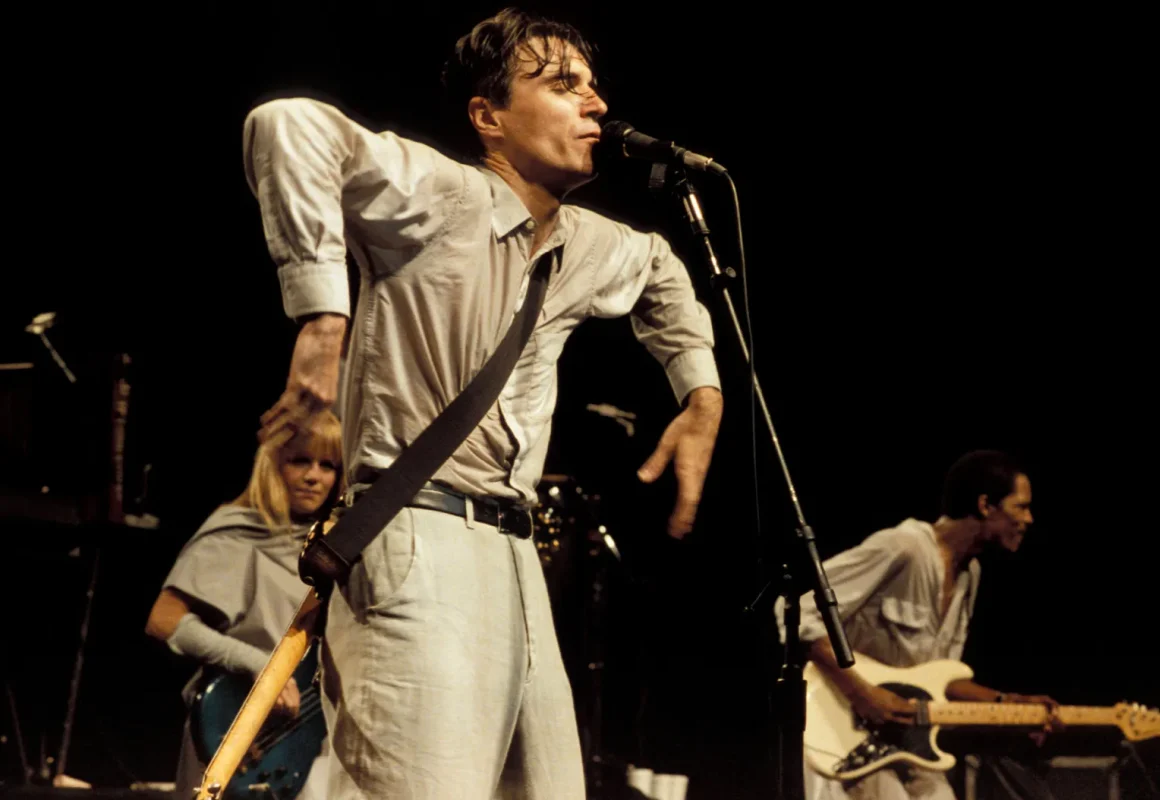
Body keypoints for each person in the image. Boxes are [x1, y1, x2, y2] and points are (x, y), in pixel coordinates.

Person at [240, 7, 723, 799]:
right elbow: (286, 125)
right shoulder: (443, 195)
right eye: (563, 85)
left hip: (516, 558)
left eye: (594, 87)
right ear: (487, 116)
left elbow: (662, 270)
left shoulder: (589, 243)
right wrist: (323, 316)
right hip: (417, 538)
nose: (595, 104)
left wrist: (699, 392)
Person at [777, 450, 1061, 800]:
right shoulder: (904, 547)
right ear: (986, 504)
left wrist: (1008, 703)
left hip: (905, 744)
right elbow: (797, 612)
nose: (1029, 519)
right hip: (844, 737)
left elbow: (938, 678)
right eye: (1021, 506)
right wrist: (863, 694)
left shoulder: (970, 574)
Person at [145, 411, 343, 800]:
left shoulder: (334, 543)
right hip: (236, 723)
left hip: (308, 737)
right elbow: (164, 620)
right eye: (300, 460)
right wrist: (258, 665)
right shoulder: (239, 527)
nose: (313, 476)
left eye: (328, 465)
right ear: (274, 464)